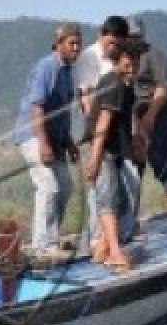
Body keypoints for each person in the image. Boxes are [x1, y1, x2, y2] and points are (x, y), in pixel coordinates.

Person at [14, 22, 82, 254]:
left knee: (65, 187)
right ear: (59, 44)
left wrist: (70, 142)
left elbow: (62, 113)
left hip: (56, 138)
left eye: (78, 43)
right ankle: (42, 245)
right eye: (72, 43)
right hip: (34, 135)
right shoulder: (47, 68)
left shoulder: (67, 73)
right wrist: (43, 143)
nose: (76, 48)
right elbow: (37, 107)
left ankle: (50, 235)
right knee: (48, 187)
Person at [75, 15, 139, 247]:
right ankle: (98, 240)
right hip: (101, 129)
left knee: (126, 185)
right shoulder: (90, 59)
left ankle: (118, 237)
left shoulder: (123, 68)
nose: (112, 47)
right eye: (109, 42)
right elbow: (89, 99)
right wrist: (95, 145)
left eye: (117, 43)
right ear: (101, 36)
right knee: (101, 192)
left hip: (118, 131)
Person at [129, 16, 167, 232]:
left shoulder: (154, 56)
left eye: (136, 36)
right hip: (132, 117)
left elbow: (163, 88)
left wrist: (150, 116)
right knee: (133, 169)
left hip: (158, 114)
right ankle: (131, 220)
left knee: (166, 164)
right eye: (129, 37)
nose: (133, 41)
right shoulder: (122, 59)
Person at [82, 45, 139, 270]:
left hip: (114, 149)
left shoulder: (125, 86)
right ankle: (114, 251)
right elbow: (102, 124)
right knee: (108, 199)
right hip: (102, 148)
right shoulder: (114, 83)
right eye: (127, 64)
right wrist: (95, 159)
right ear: (117, 63)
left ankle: (104, 247)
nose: (131, 68)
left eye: (134, 64)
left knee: (124, 197)